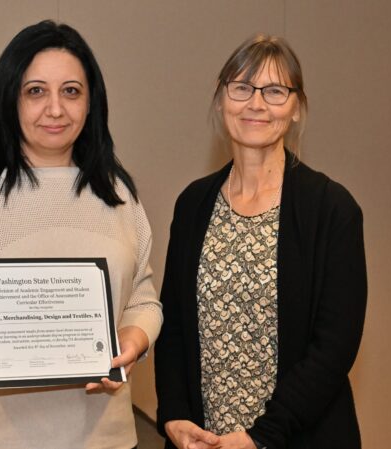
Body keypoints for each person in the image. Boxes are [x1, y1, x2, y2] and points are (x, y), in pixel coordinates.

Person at [0, 20, 162, 449]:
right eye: (36, 91)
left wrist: (135, 338)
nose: (55, 109)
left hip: (103, 436)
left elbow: (144, 300)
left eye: (71, 91)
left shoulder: (119, 196)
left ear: (92, 102)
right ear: (9, 100)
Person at [154, 34, 366, 449]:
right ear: (220, 100)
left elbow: (334, 347)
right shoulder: (194, 203)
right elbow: (174, 325)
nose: (256, 104)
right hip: (202, 441)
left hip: (296, 437)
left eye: (274, 91)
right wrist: (173, 414)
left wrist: (260, 437)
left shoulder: (332, 209)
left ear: (297, 108)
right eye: (241, 88)